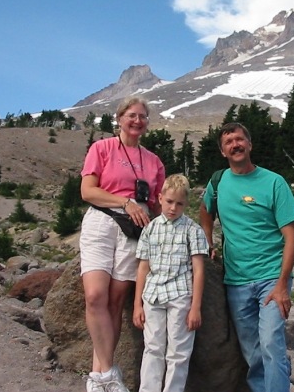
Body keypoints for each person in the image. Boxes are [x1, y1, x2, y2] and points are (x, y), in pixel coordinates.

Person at [200, 122, 294, 392]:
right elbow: (204, 211)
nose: (235, 144)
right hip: (236, 281)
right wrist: (207, 239)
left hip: (271, 278)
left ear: (249, 144)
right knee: (252, 352)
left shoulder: (273, 182)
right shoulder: (218, 182)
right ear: (223, 152)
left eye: (239, 139)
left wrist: (282, 285)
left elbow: (292, 237)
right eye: (228, 142)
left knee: (270, 343)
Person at [79, 97, 165, 392]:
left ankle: (98, 375)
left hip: (135, 230)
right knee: (94, 296)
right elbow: (88, 191)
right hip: (102, 222)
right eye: (132, 115)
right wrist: (125, 202)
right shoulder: (101, 149)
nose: (137, 121)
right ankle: (106, 374)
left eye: (143, 116)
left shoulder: (154, 161)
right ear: (119, 118)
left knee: (115, 302)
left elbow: (157, 205)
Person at [133, 174, 209, 392]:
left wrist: (195, 307)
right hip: (153, 295)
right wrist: (137, 304)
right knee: (153, 347)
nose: (173, 208)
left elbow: (199, 270)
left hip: (180, 296)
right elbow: (143, 267)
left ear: (186, 204)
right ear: (160, 198)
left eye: (179, 203)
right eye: (169, 201)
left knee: (178, 352)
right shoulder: (150, 228)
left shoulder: (193, 230)